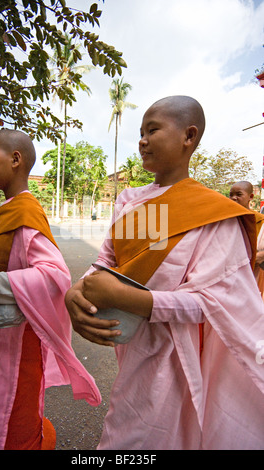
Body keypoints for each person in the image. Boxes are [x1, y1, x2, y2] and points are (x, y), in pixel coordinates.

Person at [65, 96, 264, 450]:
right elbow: (108, 261)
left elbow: (213, 303)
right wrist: (74, 292)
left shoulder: (212, 214)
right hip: (133, 352)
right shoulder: (132, 202)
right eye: (140, 132)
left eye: (152, 130)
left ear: (189, 136)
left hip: (179, 360)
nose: (142, 140)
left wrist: (128, 298)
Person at [0, 129, 101, 450]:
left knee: (15, 420)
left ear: (15, 159)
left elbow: (55, 276)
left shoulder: (25, 212)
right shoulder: (10, 209)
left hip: (18, 344)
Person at [229, 181, 264, 297]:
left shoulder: (260, 220)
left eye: (239, 195)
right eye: (231, 195)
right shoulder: (226, 220)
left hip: (255, 274)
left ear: (251, 197)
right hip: (230, 274)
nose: (234, 198)